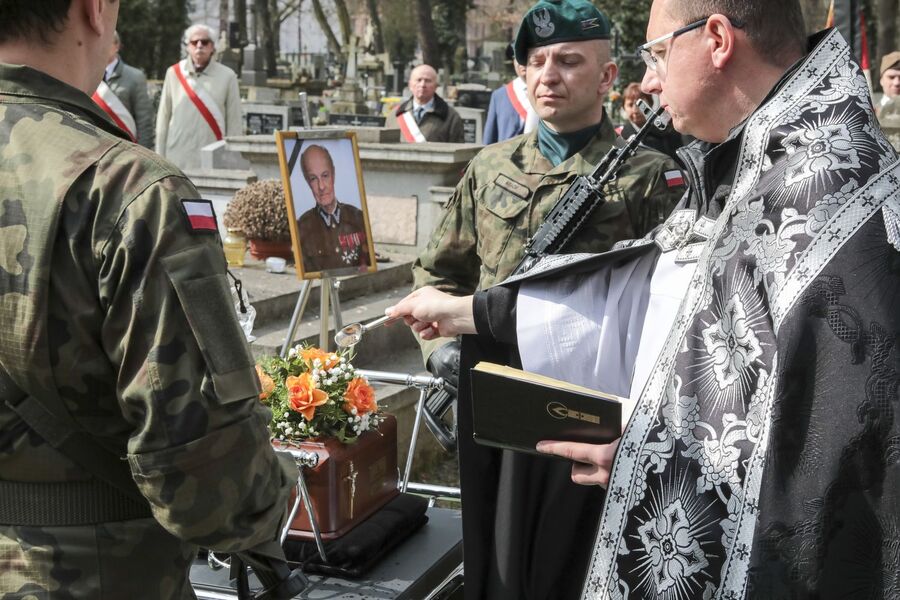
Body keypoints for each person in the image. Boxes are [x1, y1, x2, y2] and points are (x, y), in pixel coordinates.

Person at [390, 0, 900, 597]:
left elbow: (839, 468)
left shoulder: (822, 197)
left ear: (716, 39)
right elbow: (662, 292)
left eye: (657, 52)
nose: (651, 80)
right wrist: (473, 314)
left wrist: (652, 463)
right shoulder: (766, 165)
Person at [0, 1, 297, 597]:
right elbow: (208, 483)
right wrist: (278, 493)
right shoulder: (131, 191)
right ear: (95, 9)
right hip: (90, 572)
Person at [410, 1, 687, 597]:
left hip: (591, 419)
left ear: (608, 76)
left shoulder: (648, 177)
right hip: (495, 405)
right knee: (495, 562)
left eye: (567, 61)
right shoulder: (489, 167)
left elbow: (671, 311)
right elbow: (435, 274)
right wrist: (440, 359)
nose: (547, 76)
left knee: (579, 569)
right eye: (535, 63)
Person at [156, 23, 242, 170]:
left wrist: (233, 159)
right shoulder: (173, 73)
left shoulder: (228, 76)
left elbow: (234, 122)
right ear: (188, 46)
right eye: (194, 42)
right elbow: (163, 117)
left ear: (212, 47)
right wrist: (159, 157)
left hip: (213, 157)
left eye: (205, 42)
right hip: (177, 156)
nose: (199, 45)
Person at [296, 144, 371, 273]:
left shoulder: (358, 218)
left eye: (325, 176)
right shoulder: (302, 227)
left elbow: (367, 264)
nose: (321, 186)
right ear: (308, 182)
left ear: (334, 175)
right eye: (313, 179)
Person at [92, 30, 155, 148]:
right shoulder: (87, 75)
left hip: (125, 148)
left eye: (106, 42)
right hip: (95, 148)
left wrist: (143, 154)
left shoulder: (135, 76)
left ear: (116, 46)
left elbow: (144, 121)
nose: (101, 46)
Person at [393, 64, 465, 143]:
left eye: (428, 81)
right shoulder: (395, 115)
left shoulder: (451, 117)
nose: (422, 85)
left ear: (436, 86)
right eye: (418, 80)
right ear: (410, 85)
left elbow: (458, 152)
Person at [482, 47, 538, 144]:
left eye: (527, 57)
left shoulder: (549, 93)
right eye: (517, 57)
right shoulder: (500, 96)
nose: (522, 62)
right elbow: (489, 140)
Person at [617, 81, 684, 160]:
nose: (635, 110)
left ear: (650, 104)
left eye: (640, 104)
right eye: (630, 105)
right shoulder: (619, 136)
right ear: (624, 107)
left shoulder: (666, 132)